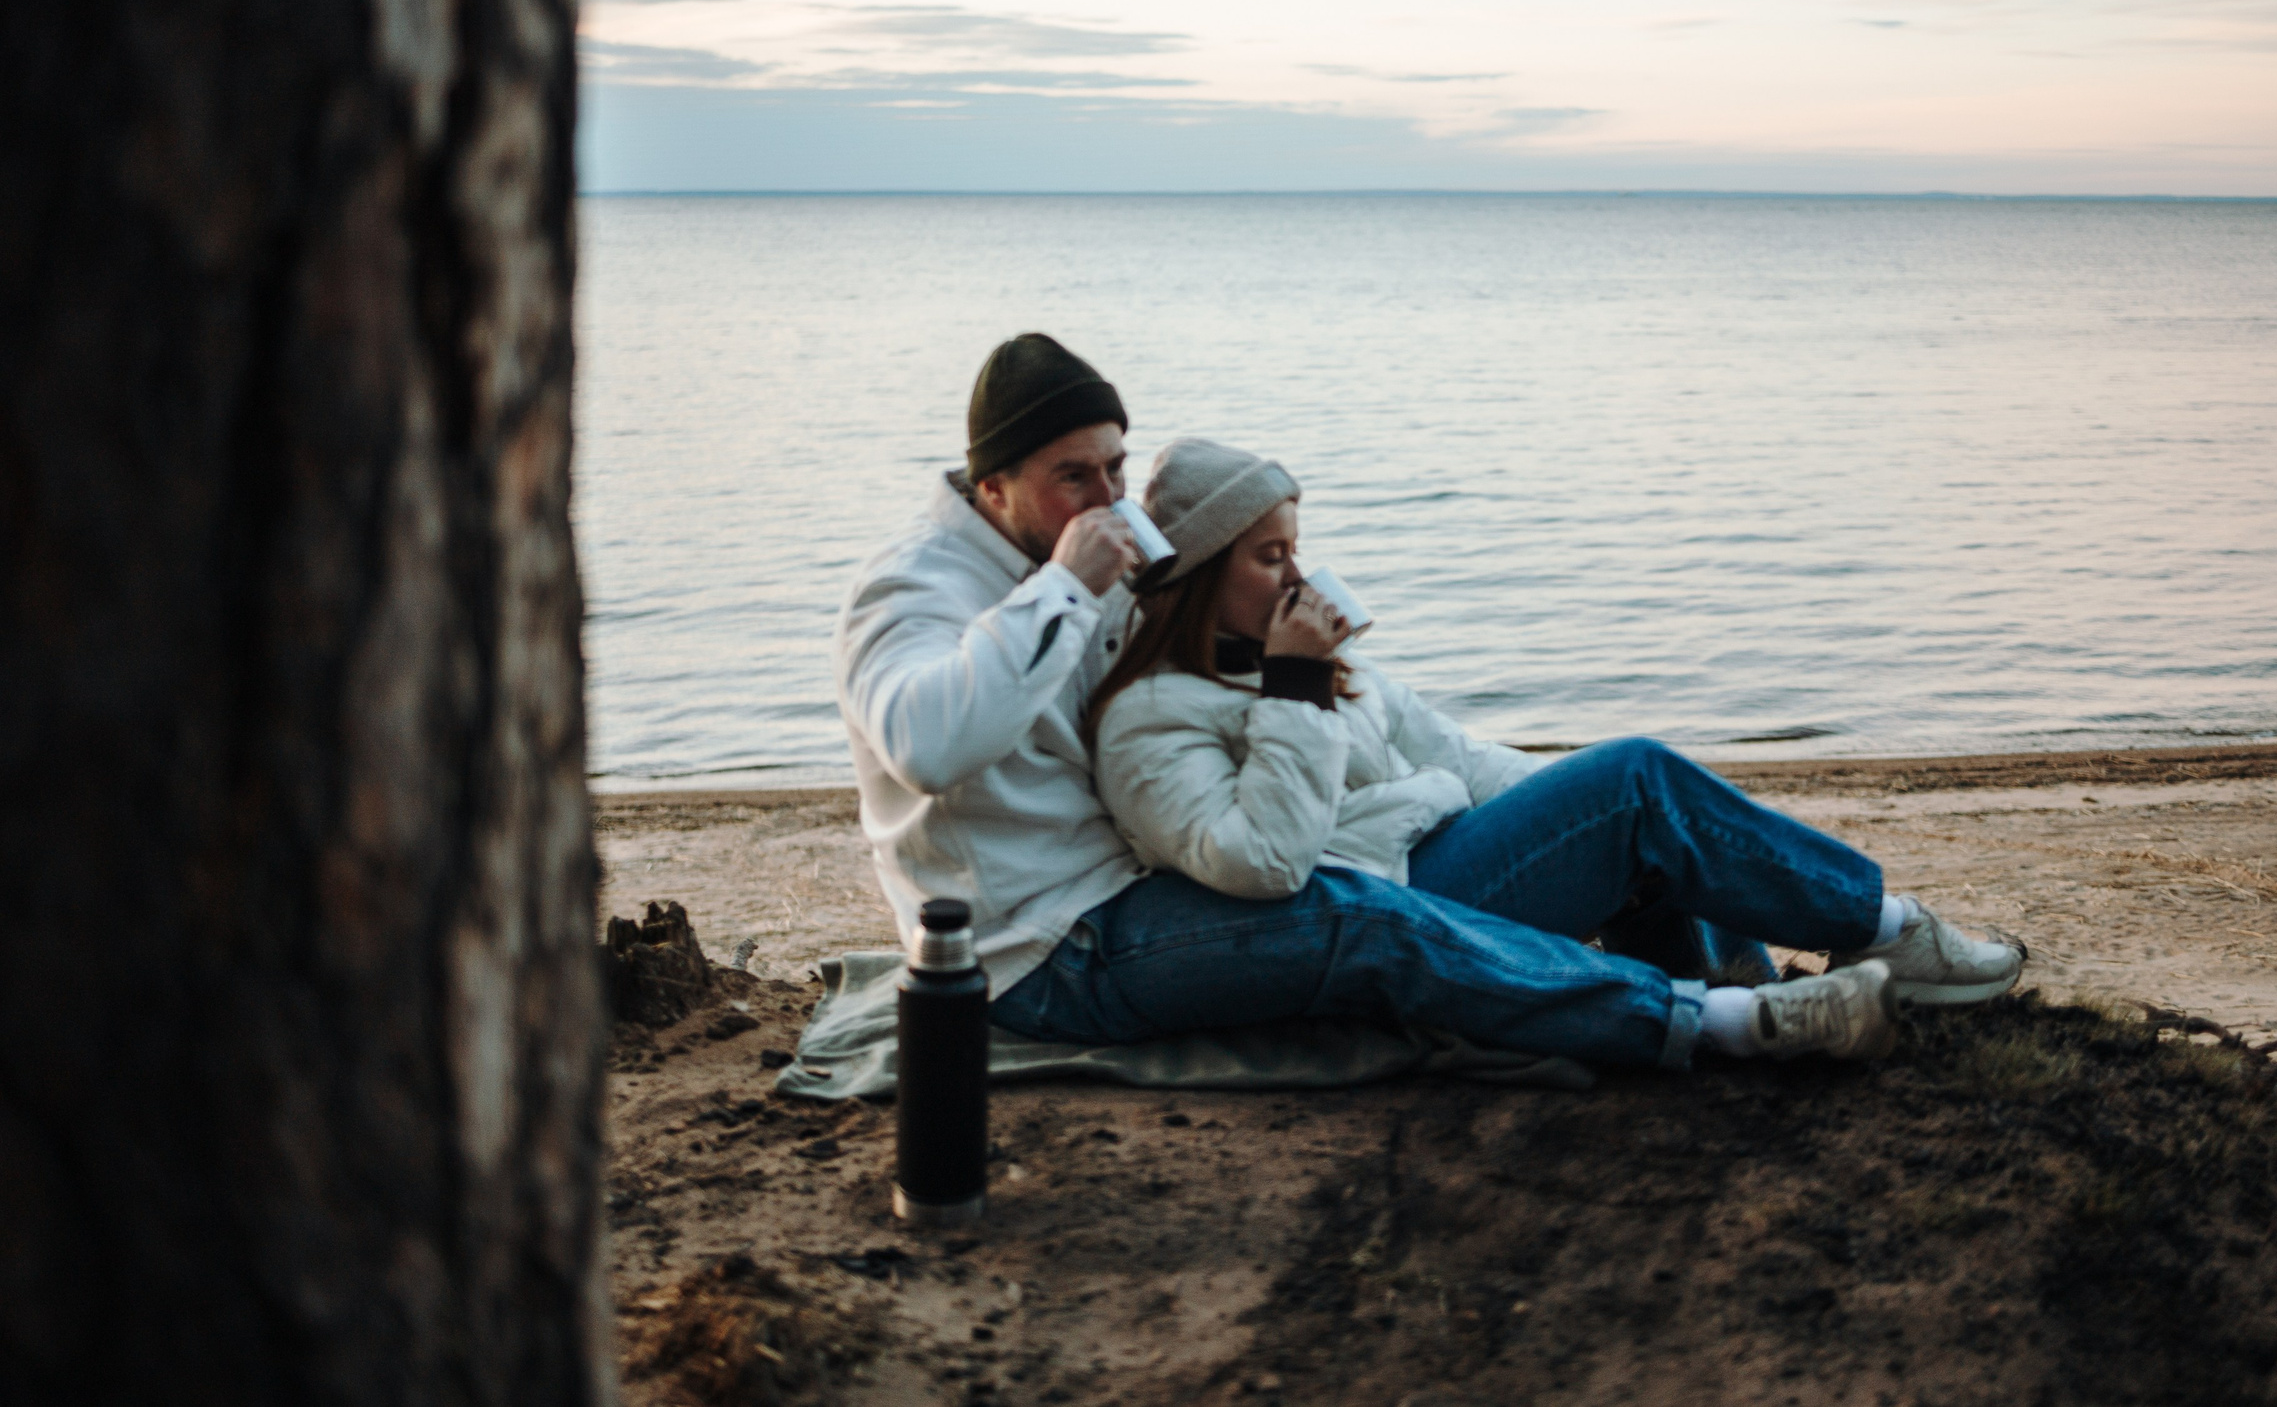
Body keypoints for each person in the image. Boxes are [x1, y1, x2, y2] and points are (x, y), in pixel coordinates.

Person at [988, 437, 2024, 1071]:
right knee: (1636, 777)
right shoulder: (1154, 714)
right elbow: (1265, 865)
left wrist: (1580, 823)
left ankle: (1782, 990)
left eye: (1298, 546)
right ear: (1204, 574)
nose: (1299, 573)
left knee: (1628, 798)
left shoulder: (1307, 661)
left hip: (1457, 853)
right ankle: (1884, 934)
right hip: (1399, 899)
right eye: (1269, 557)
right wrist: (1295, 685)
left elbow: (1463, 757)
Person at [833, 333, 1153, 999]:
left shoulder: (1086, 559)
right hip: (1028, 945)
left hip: (1136, 881)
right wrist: (1066, 586)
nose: (1109, 500)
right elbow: (928, 747)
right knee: (1377, 929)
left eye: (1116, 469)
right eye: (1075, 476)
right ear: (993, 487)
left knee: (1410, 865)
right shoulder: (907, 585)